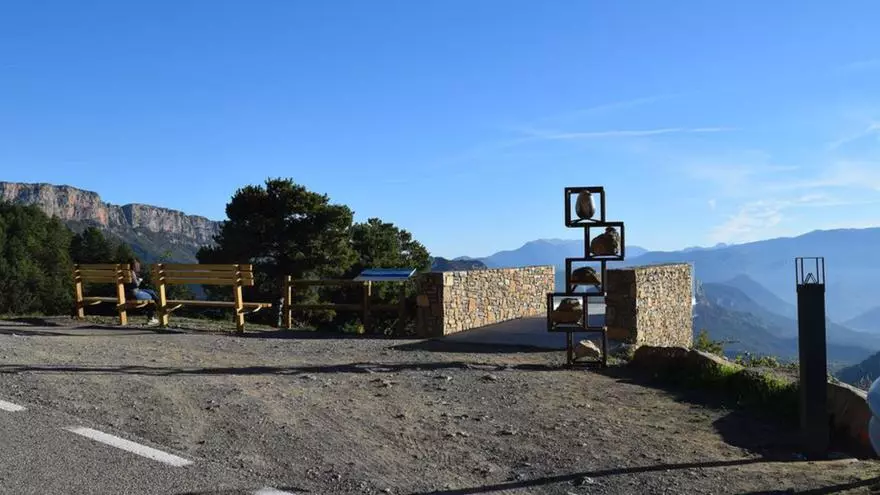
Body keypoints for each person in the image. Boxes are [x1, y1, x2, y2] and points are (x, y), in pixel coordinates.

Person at [127, 257, 160, 326]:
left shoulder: (124, 272)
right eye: (137, 265)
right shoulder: (131, 272)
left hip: (126, 293)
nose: (138, 267)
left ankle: (159, 306)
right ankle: (152, 318)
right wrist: (139, 280)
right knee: (151, 297)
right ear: (133, 266)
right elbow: (136, 284)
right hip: (134, 293)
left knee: (151, 291)